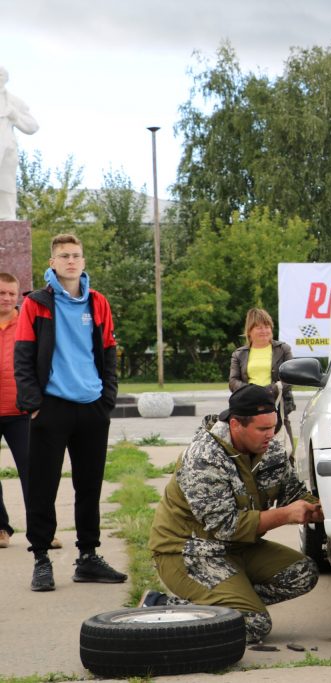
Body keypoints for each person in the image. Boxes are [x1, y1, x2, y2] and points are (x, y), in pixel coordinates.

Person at [146, 384, 323, 644]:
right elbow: (225, 526)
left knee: (302, 573)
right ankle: (162, 606)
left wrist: (324, 509)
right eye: (262, 429)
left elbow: (293, 494)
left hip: (235, 548)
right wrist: (285, 515)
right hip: (188, 552)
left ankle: (224, 599)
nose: (270, 436)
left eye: (273, 427)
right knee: (253, 624)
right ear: (236, 425)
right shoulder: (204, 458)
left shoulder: (269, 450)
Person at [15, 234, 123, 590]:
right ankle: (42, 558)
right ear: (53, 262)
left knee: (89, 487)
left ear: (84, 261)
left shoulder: (98, 303)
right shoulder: (36, 303)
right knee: (43, 486)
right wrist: (33, 405)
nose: (71, 261)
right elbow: (24, 356)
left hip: (92, 408)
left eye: (76, 255)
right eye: (64, 256)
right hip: (51, 408)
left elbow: (108, 353)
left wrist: (106, 400)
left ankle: (88, 557)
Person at [229, 308, 295, 445]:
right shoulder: (238, 354)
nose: (264, 331)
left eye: (267, 327)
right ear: (249, 331)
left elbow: (291, 376)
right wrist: (252, 393)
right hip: (249, 405)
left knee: (283, 447)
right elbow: (233, 381)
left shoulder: (283, 349)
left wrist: (269, 391)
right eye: (259, 327)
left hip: (277, 404)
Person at [0, 272, 29, 549]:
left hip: (22, 412)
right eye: (1, 293)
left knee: (34, 473)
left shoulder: (27, 323)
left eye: (11, 293)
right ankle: (1, 529)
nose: (7, 298)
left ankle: (42, 531)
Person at [0, 66, 40, 221]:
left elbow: (32, 126)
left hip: (6, 148)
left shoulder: (14, 101)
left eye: (1, 75)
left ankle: (7, 217)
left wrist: (14, 115)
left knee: (6, 182)